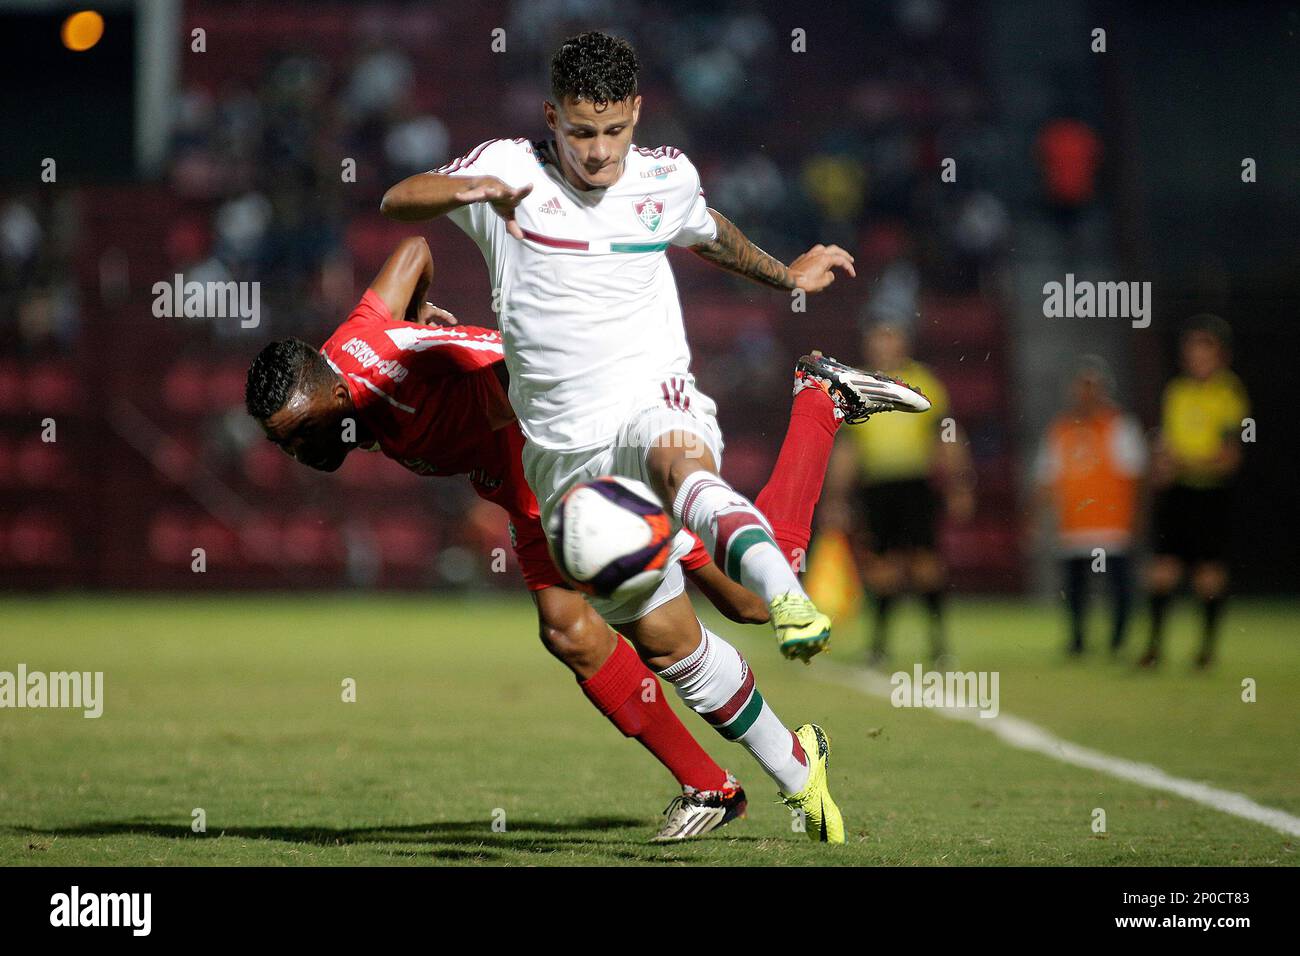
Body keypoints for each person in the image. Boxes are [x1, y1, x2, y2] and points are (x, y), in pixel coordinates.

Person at [379, 31, 926, 841]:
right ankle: (795, 771)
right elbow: (398, 200)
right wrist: (470, 190)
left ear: (635, 113)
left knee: (682, 462)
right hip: (566, 461)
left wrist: (789, 275)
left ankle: (792, 597)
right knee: (672, 643)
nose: (598, 152)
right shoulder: (512, 171)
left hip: (648, 395)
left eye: (612, 130)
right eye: (579, 131)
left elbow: (708, 232)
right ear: (551, 118)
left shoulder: (664, 177)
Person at [246, 236, 922, 840]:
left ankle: (819, 402)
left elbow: (513, 363)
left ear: (333, 398)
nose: (297, 451)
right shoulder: (350, 352)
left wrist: (588, 461)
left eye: (300, 433)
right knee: (574, 630)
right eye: (284, 442)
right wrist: (417, 309)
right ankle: (715, 784)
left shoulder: (403, 373)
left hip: (570, 469)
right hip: (524, 493)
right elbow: (415, 251)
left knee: (745, 602)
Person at [829, 321, 973, 666]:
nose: (883, 348)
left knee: (926, 563)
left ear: (903, 345)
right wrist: (836, 497)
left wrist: (959, 483)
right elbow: (847, 449)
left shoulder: (925, 383)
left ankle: (939, 647)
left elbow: (946, 436)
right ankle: (879, 647)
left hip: (915, 484)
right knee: (882, 568)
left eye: (889, 340)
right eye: (877, 341)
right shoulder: (855, 385)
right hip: (875, 487)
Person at [1142, 315, 1249, 669]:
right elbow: (1167, 445)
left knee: (1209, 572)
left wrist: (1183, 463)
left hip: (1212, 496)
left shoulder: (1229, 393)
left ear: (1220, 355)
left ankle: (1206, 651)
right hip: (1179, 495)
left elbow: (1229, 458)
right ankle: (1155, 649)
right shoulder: (1177, 391)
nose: (1195, 357)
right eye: (1191, 350)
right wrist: (1162, 464)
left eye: (1204, 350)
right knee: (1163, 569)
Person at [1031, 356, 1146, 654]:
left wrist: (1138, 519)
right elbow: (1046, 479)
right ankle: (1078, 640)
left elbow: (1136, 476)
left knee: (1117, 587)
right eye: (1082, 386)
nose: (1087, 393)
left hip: (1112, 526)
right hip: (1074, 525)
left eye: (1092, 386)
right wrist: (1035, 518)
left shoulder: (1119, 426)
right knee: (1075, 588)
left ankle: (1117, 641)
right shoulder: (1061, 430)